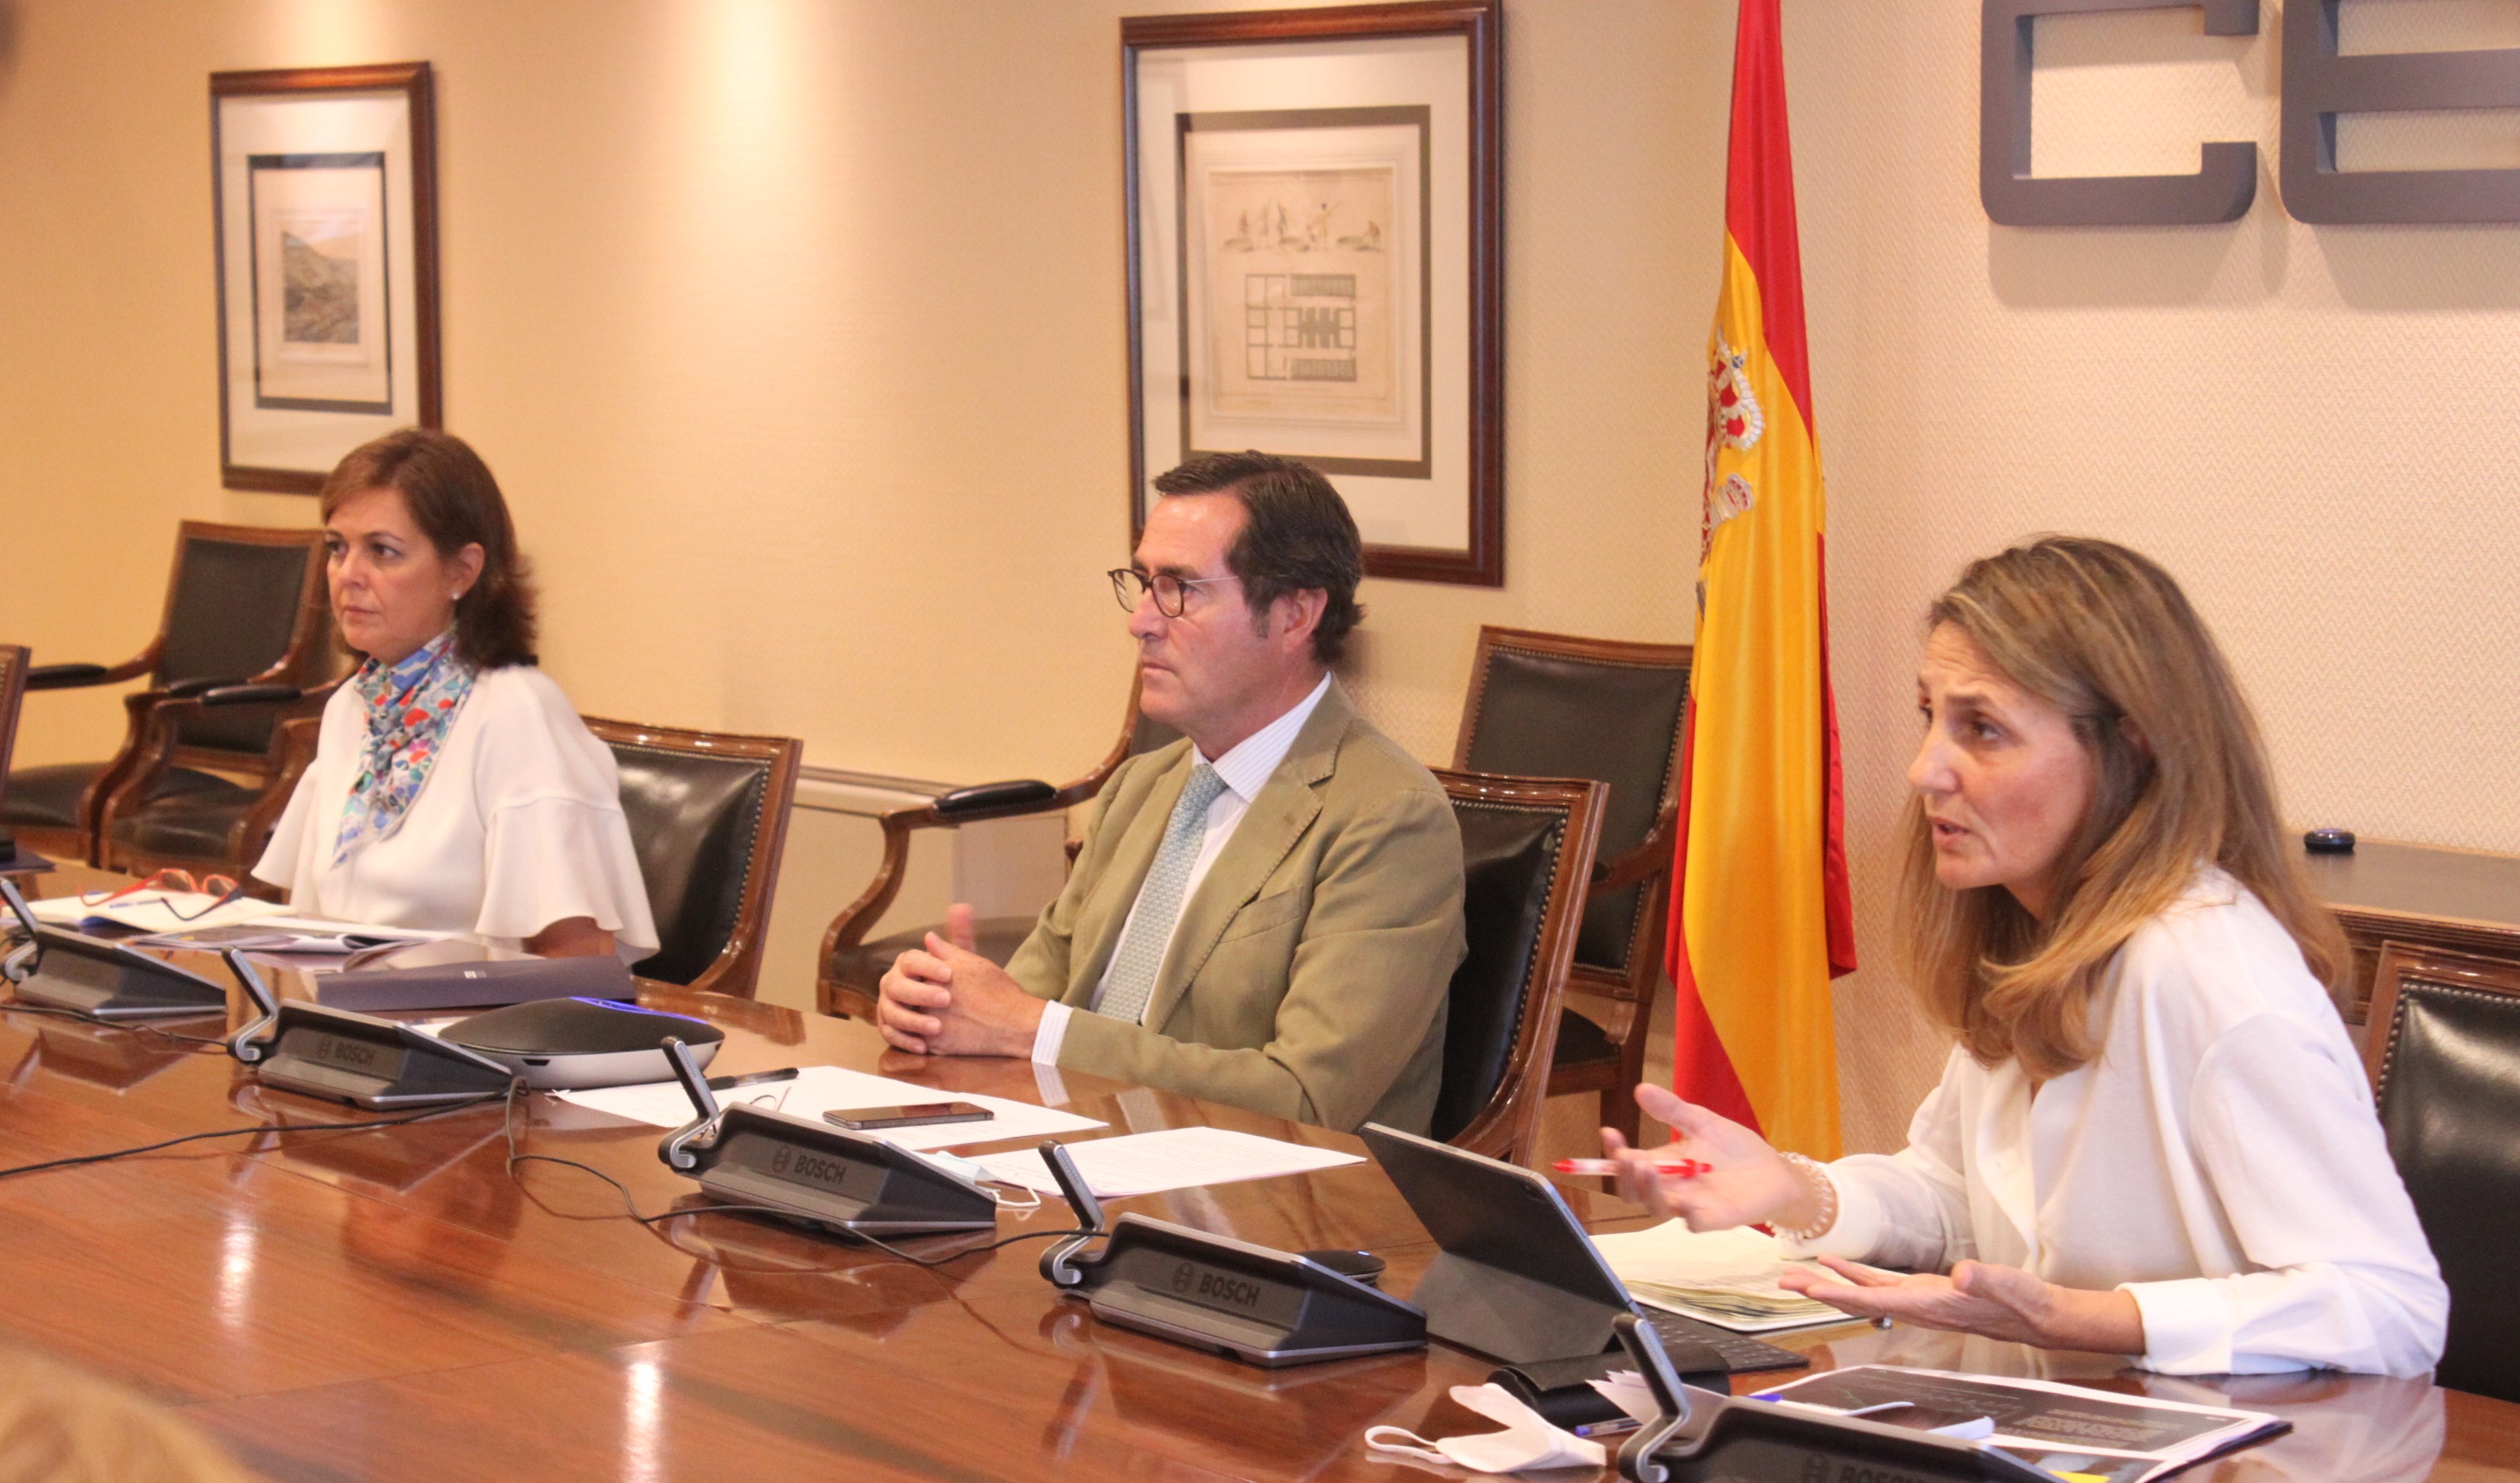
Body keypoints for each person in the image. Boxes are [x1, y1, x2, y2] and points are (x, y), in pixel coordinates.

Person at [1605, 537, 2446, 1377]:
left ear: (2133, 745)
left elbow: (2392, 1306)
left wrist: (2090, 1318)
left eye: (1982, 729)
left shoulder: (2207, 969)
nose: (1923, 769)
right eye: (1928, 715)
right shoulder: (2039, 937)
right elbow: (1953, 1196)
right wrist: (1793, 1188)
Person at [875, 451, 1466, 1133]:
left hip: (1278, 1206)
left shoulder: (1387, 817)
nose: (1141, 621)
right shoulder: (1142, 788)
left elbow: (1305, 1099)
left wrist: (1031, 1027)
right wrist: (943, 1005)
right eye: (1142, 582)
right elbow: (1024, 1001)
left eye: (1181, 588)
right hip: (1077, 1158)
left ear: (1295, 614)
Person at [252, 429, 658, 961]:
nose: (348, 574)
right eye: (337, 548)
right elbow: (309, 928)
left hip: (467, 1035)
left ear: (462, 571)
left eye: (383, 551)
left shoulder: (516, 712)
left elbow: (577, 960)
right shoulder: (351, 706)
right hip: (348, 1027)